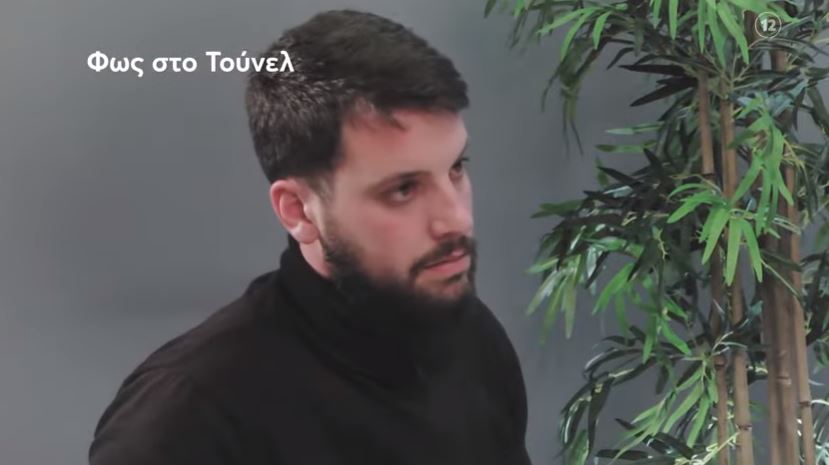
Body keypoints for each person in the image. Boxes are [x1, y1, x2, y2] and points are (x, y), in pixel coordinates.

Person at [88, 8, 531, 465]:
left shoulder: (474, 341)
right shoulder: (186, 421)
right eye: (403, 189)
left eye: (456, 168)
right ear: (298, 210)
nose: (456, 220)